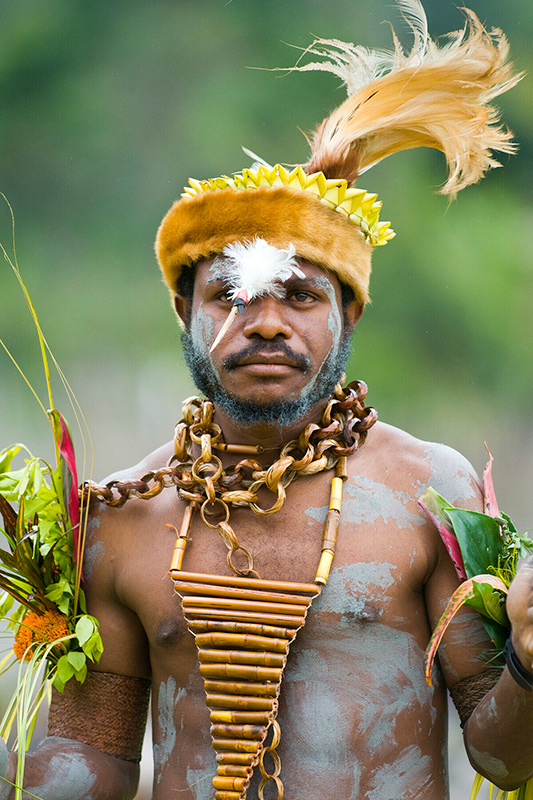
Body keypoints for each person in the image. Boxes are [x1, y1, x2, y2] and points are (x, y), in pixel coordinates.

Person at [1, 3, 531, 799]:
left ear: (348, 312)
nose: (267, 324)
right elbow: (88, 765)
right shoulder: (119, 521)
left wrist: (525, 651)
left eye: (299, 295)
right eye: (230, 296)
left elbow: (506, 758)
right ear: (184, 313)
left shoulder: (432, 492)